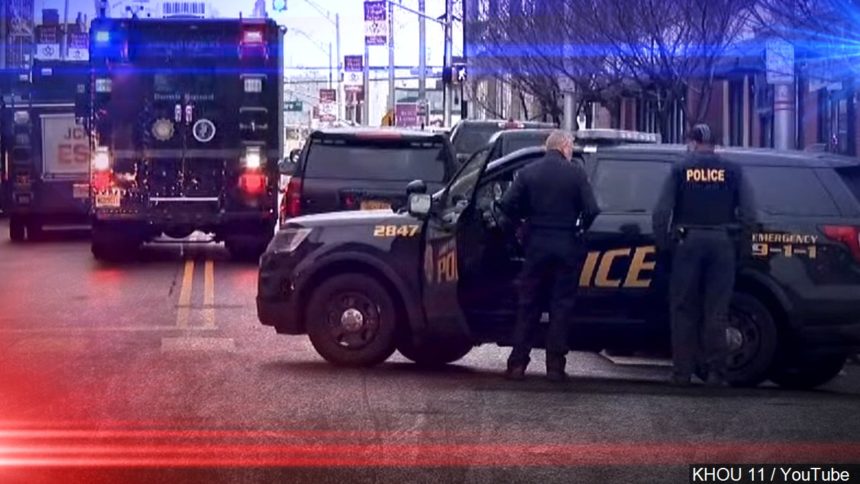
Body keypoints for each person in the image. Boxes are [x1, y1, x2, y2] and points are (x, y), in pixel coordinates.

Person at [652, 124, 757, 387]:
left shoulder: (680, 169)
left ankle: (682, 373)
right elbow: (749, 214)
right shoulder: (733, 170)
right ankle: (716, 373)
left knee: (683, 309)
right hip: (722, 243)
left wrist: (665, 246)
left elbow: (661, 212)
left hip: (688, 243)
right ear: (714, 144)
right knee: (717, 310)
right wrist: (742, 249)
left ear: (692, 142)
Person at [496, 130, 600, 382]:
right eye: (571, 146)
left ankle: (517, 364)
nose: (571, 151)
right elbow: (592, 209)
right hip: (566, 245)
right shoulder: (576, 173)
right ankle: (555, 367)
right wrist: (578, 229)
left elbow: (506, 204)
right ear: (564, 146)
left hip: (536, 245)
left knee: (528, 305)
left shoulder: (528, 172)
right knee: (561, 307)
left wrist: (522, 224)